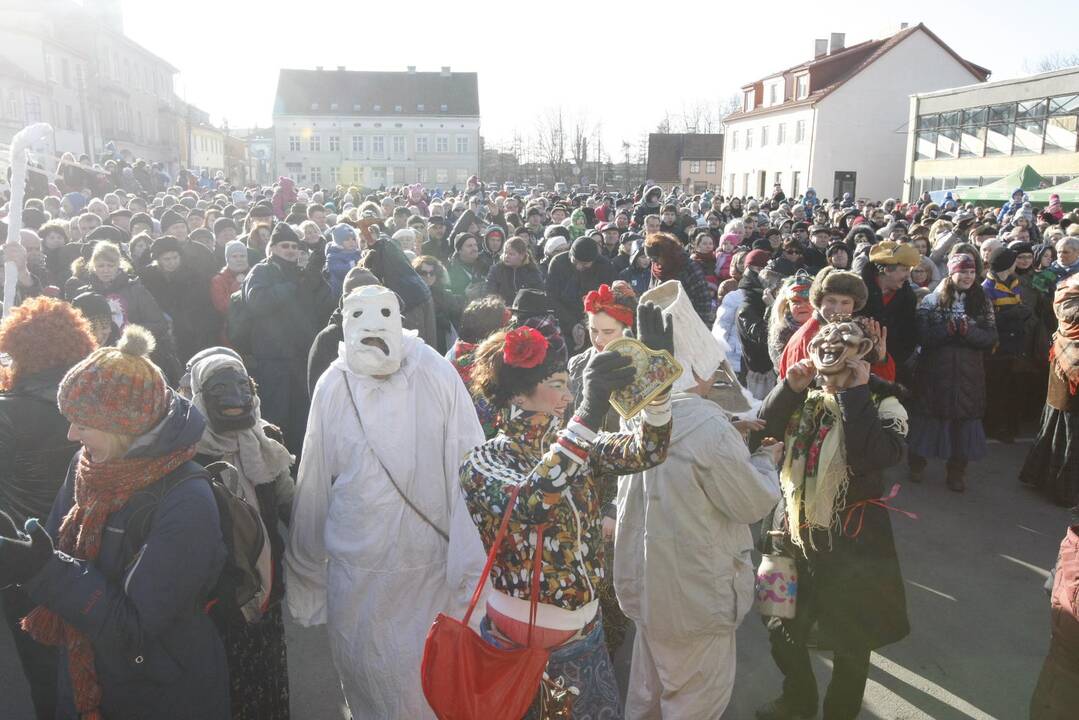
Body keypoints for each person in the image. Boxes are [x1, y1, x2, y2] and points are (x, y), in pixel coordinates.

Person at [0, 325, 229, 719]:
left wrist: (42, 569)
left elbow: (134, 628)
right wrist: (24, 549)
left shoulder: (186, 499)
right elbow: (60, 554)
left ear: (125, 428)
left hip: (159, 692)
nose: (71, 434)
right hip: (88, 675)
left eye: (83, 424)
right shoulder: (89, 464)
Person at [460, 307, 672, 718]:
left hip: (583, 633)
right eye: (557, 385)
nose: (569, 396)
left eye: (569, 386)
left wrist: (657, 390)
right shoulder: (483, 461)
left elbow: (649, 449)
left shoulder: (575, 447)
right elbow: (533, 502)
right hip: (515, 642)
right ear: (519, 396)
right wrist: (587, 416)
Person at [286, 285, 486, 720]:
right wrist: (306, 576)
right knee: (366, 683)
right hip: (357, 570)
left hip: (428, 570)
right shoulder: (334, 384)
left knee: (424, 686)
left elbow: (469, 472)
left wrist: (473, 580)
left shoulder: (434, 373)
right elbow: (315, 480)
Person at [616, 280, 781, 718]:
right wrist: (765, 459)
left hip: (646, 586)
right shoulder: (707, 426)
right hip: (694, 591)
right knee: (694, 701)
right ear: (699, 370)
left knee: (648, 694)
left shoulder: (637, 415)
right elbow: (752, 502)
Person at [755, 318, 910, 720]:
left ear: (864, 352)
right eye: (823, 336)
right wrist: (787, 388)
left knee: (852, 642)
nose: (829, 342)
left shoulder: (884, 402)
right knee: (778, 623)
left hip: (853, 543)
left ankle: (839, 713)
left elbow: (875, 456)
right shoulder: (799, 396)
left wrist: (856, 393)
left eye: (845, 339)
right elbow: (759, 437)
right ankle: (798, 701)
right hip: (787, 531)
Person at [0, 298, 97, 720]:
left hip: (28, 559)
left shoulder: (7, 413)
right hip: (95, 548)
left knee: (43, 674)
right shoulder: (99, 402)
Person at [189, 350, 294, 720]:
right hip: (222, 592)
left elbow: (288, 501)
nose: (234, 397)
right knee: (230, 682)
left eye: (241, 384)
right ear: (201, 396)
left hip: (268, 581)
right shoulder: (189, 452)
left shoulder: (267, 439)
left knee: (269, 670)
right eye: (219, 388)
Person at [907, 254, 997, 492]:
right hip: (935, 371)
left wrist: (969, 333)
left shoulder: (982, 300)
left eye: (971, 271)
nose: (967, 276)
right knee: (927, 418)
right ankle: (916, 464)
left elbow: (990, 337)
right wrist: (947, 330)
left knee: (964, 424)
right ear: (951, 273)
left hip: (970, 374)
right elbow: (922, 337)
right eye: (962, 271)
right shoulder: (931, 300)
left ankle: (956, 473)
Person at [243, 223, 334, 453]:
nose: (291, 250)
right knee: (276, 420)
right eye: (285, 246)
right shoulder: (261, 271)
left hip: (301, 359)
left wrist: (315, 272)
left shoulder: (300, 272)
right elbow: (256, 301)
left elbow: (323, 303)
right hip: (273, 360)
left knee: (302, 419)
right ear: (272, 248)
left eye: (295, 246)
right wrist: (289, 287)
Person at [1020, 272, 1079, 505]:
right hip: (1069, 368)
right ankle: (1061, 487)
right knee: (1067, 432)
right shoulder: (1069, 286)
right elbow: (1068, 314)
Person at [982, 246, 1036, 443]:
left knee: (1012, 388)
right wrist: (1012, 315)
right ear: (1007, 264)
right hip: (998, 348)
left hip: (1015, 346)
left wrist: (1024, 313)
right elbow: (987, 319)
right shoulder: (987, 288)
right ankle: (995, 427)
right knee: (997, 390)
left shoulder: (1014, 282)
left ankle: (1011, 425)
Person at [546, 236, 618, 353]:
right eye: (575, 261)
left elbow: (608, 299)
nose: (579, 267)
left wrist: (587, 324)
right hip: (563, 318)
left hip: (593, 321)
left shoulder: (604, 266)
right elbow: (552, 298)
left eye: (585, 264)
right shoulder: (558, 263)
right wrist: (572, 325)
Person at [644, 232, 715, 326]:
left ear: (666, 254)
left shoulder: (688, 267)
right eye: (651, 258)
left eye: (655, 258)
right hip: (663, 321)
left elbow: (703, 299)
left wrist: (699, 325)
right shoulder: (657, 268)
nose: (653, 261)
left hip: (688, 320)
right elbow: (652, 292)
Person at [737, 249, 777, 400]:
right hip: (758, 373)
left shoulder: (759, 299)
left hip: (771, 368)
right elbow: (763, 335)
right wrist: (771, 308)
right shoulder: (747, 305)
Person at [767, 271, 814, 369]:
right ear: (787, 305)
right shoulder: (782, 331)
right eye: (795, 301)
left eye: (807, 300)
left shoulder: (825, 327)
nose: (802, 305)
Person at [485, 236, 544, 305]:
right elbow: (490, 292)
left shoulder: (532, 271)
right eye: (505, 253)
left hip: (526, 311)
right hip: (502, 310)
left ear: (522, 256)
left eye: (511, 254)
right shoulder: (496, 270)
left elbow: (539, 294)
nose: (506, 256)